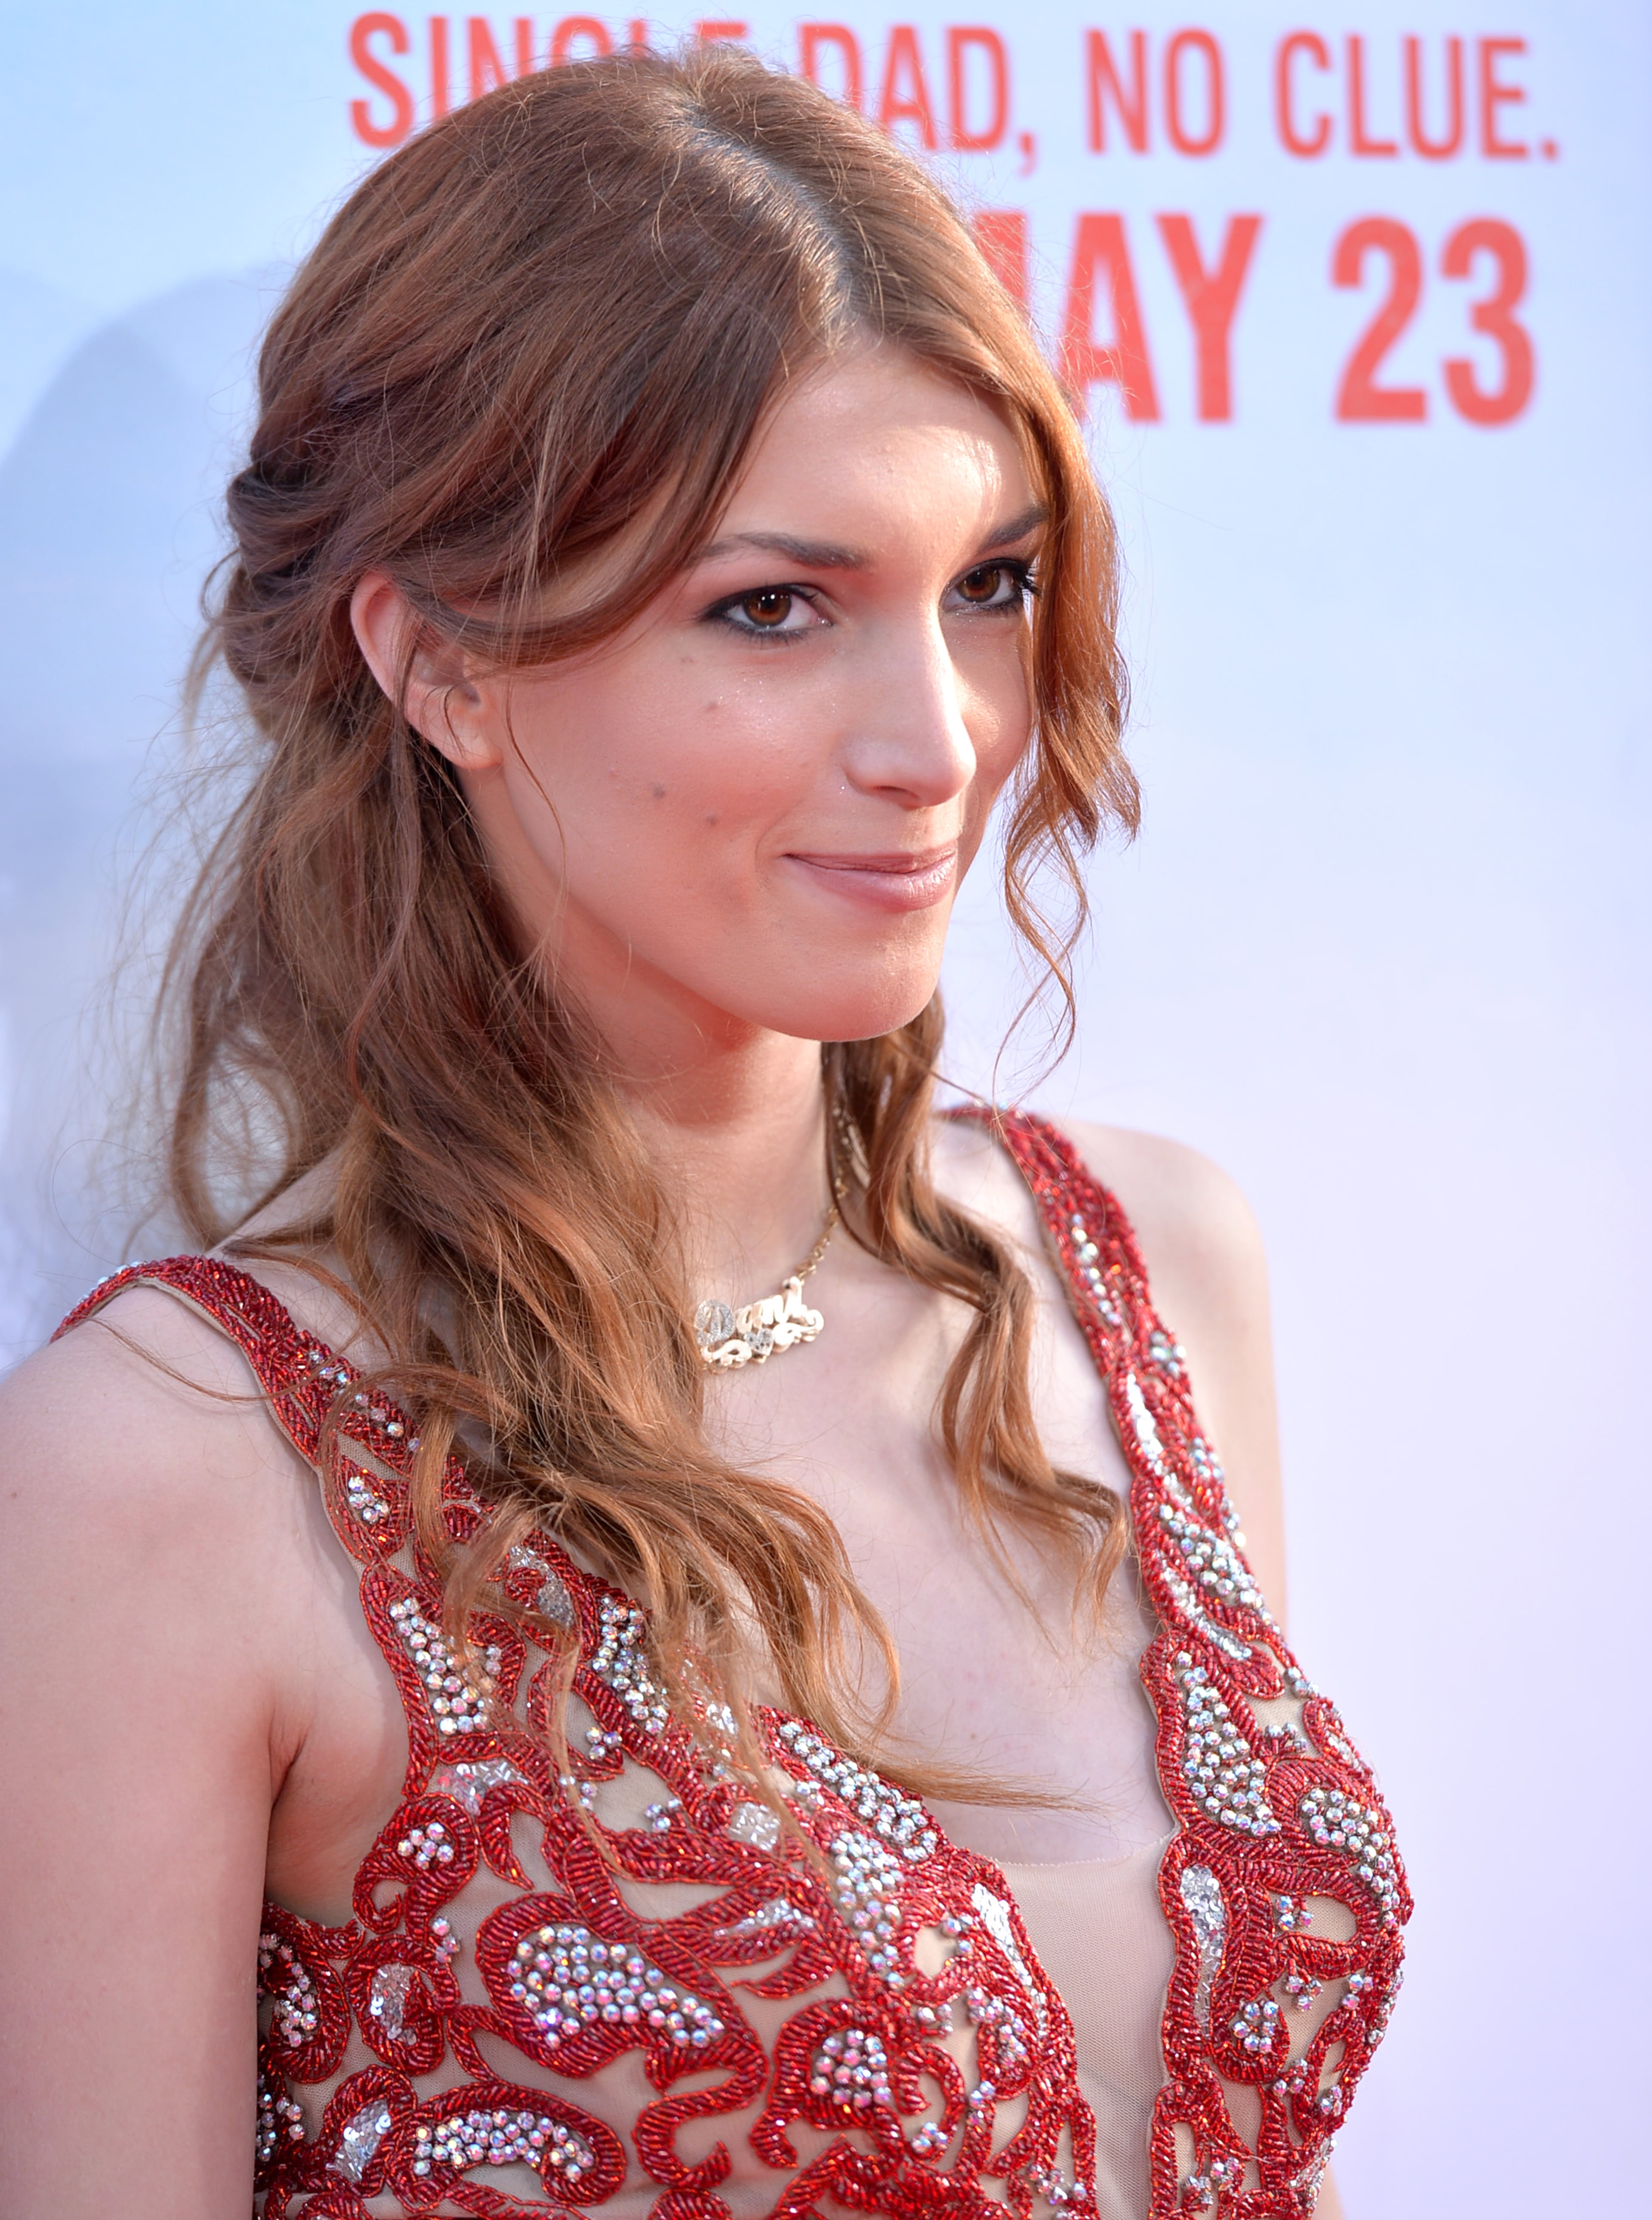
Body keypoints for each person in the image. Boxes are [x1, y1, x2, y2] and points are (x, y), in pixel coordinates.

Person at [0, 46, 1406, 2220]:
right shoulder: (167, 1472)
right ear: (444, 659)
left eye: (991, 586)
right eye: (776, 607)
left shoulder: (1150, 1258)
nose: (939, 739)